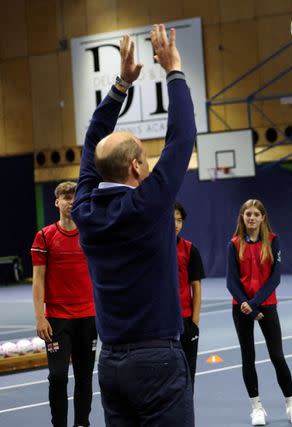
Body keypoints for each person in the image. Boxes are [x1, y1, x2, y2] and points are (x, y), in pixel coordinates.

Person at [71, 26, 196, 425]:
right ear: (136, 167)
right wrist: (173, 70)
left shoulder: (85, 212)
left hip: (110, 363)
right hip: (157, 359)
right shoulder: (148, 204)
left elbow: (92, 143)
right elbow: (181, 138)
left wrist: (121, 86)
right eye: (143, 155)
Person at [226, 199, 292, 426]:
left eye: (255, 214)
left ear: (262, 218)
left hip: (265, 306)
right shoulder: (233, 244)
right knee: (247, 358)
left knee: (277, 356)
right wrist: (247, 306)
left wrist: (256, 303)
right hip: (241, 308)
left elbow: (275, 277)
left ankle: (291, 405)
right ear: (242, 217)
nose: (251, 218)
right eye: (247, 214)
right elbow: (231, 281)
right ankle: (257, 408)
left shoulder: (273, 241)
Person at [31, 181, 97, 427]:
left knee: (84, 377)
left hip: (88, 317)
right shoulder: (45, 236)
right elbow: (38, 279)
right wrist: (40, 316)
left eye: (74, 197)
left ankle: (82, 423)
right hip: (57, 318)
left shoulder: (90, 234)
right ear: (57, 202)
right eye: (65, 197)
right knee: (57, 377)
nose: (70, 201)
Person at [174, 202, 205, 387]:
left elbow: (196, 286)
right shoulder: (154, 248)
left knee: (188, 375)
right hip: (161, 324)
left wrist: (194, 320)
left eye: (179, 220)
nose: (176, 224)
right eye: (172, 219)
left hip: (186, 321)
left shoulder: (189, 249)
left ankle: (186, 414)